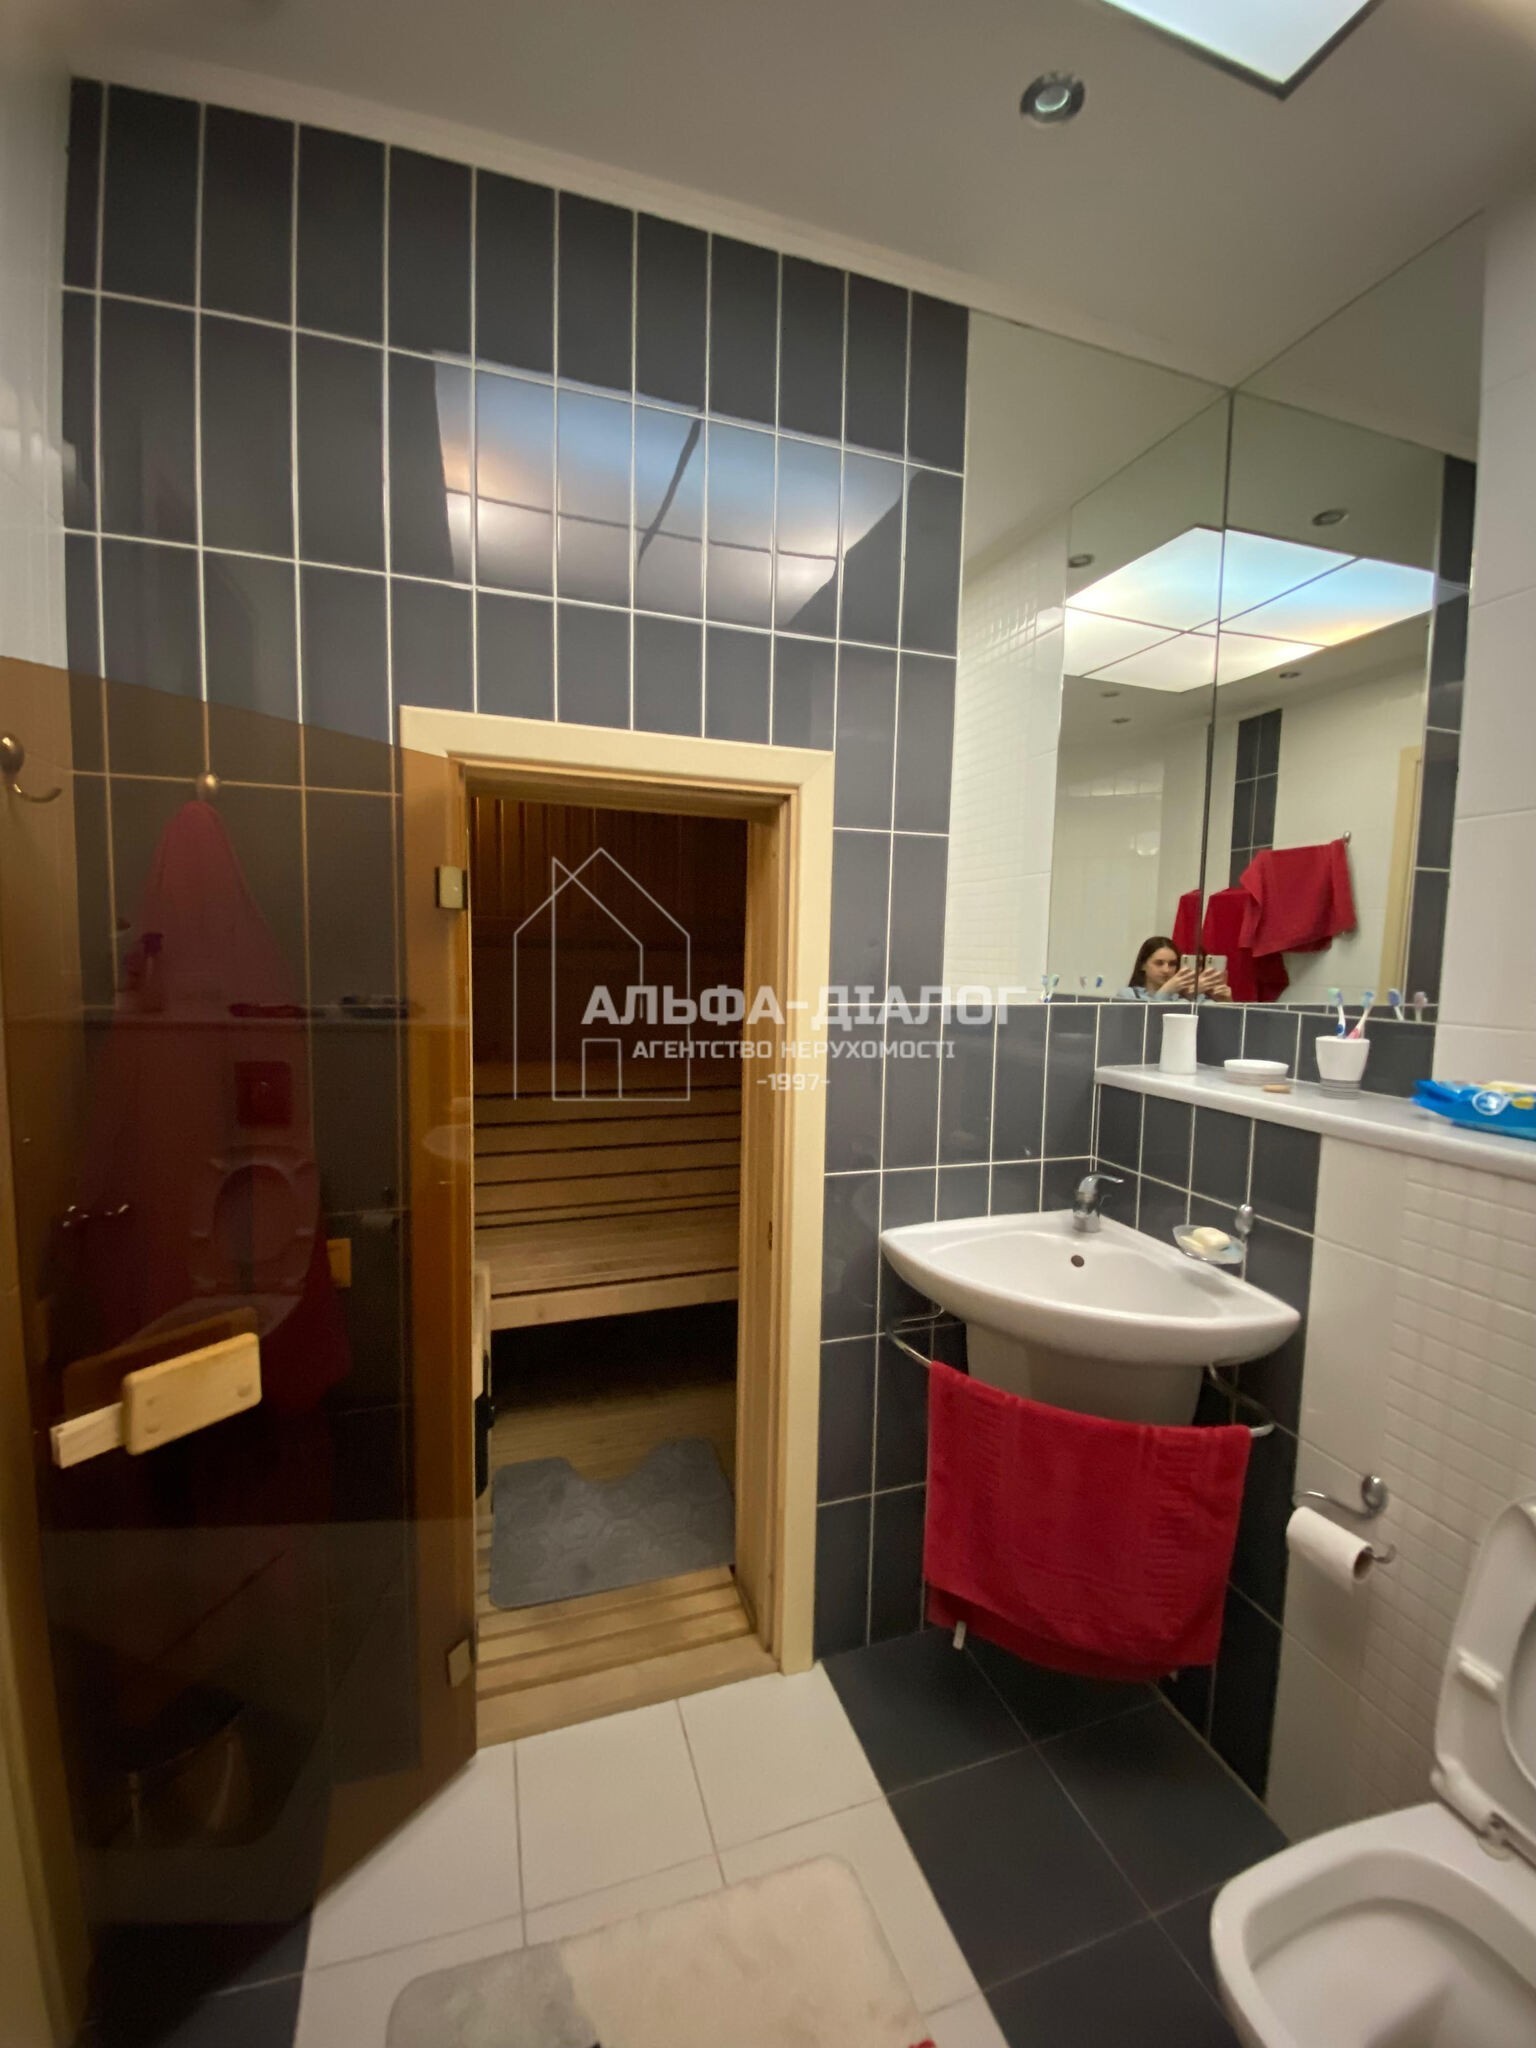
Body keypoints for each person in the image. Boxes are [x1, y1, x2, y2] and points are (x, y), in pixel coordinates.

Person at [1120, 935, 1230, 1001]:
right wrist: (1166, 991)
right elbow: (1146, 1020)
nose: (1166, 970)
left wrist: (1225, 1002)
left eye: (1172, 964)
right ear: (1143, 965)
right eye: (1159, 963)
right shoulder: (1128, 995)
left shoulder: (1184, 997)